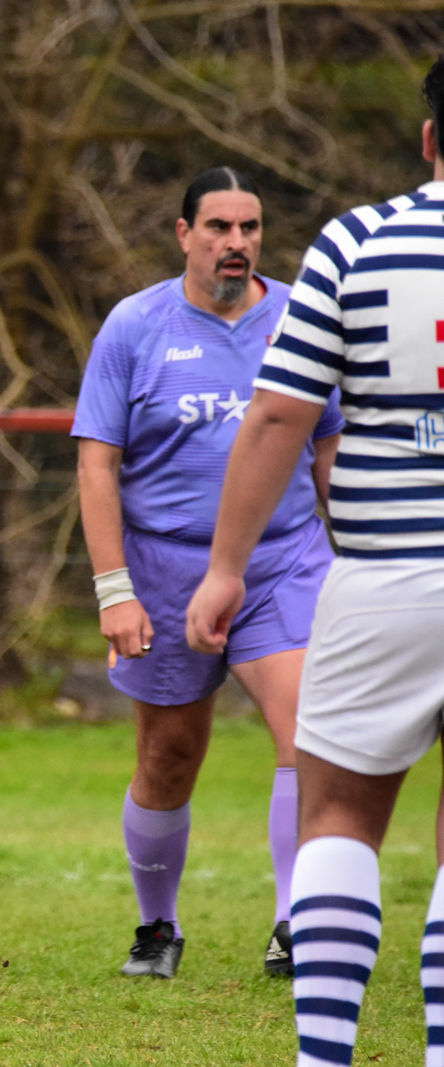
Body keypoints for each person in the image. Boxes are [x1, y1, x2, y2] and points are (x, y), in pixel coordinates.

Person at [187, 59, 444, 1066]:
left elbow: (282, 414)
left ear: (428, 138)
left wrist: (223, 567)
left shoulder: (356, 242)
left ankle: (322, 1058)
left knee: (338, 813)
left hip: (380, 578)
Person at [74, 166, 342, 981]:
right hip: (164, 570)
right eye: (219, 227)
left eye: (250, 228)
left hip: (284, 558)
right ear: (184, 234)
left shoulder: (299, 318)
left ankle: (296, 924)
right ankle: (157, 926)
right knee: (168, 758)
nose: (236, 243)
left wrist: (362, 550)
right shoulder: (134, 326)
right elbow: (96, 465)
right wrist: (114, 589)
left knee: (306, 734)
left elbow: (328, 445)